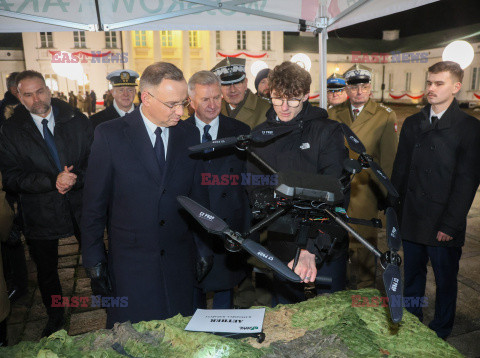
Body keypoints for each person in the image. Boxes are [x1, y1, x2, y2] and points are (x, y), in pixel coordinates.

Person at [81, 62, 209, 328]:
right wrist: (93, 257)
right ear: (147, 98)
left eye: (183, 102)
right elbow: (94, 204)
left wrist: (204, 248)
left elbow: (198, 200)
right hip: (132, 263)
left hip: (180, 260)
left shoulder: (189, 133)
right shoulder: (110, 135)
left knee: (182, 336)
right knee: (136, 338)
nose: (180, 111)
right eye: (172, 104)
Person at [0, 70, 93, 337]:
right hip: (38, 209)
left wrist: (74, 179)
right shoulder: (10, 130)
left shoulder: (76, 119)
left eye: (39, 91)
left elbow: (94, 159)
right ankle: (55, 316)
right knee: (46, 270)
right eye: (27, 94)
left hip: (79, 202)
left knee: (97, 255)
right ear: (19, 96)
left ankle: (109, 299)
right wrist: (52, 180)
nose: (35, 99)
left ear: (48, 90)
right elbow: (11, 176)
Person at [391, 61, 480, 340]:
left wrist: (451, 224)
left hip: (443, 221)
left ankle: (441, 329)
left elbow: (467, 182)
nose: (431, 88)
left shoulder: (469, 128)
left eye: (438, 83)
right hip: (413, 217)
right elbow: (400, 171)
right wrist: (394, 212)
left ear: (456, 87)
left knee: (444, 281)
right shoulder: (413, 122)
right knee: (413, 277)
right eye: (429, 82)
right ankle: (413, 322)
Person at [248, 61, 349, 305]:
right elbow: (257, 192)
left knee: (327, 324)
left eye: (292, 100)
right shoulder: (260, 136)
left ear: (306, 95)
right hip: (281, 246)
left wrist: (309, 249)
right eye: (277, 98)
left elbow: (337, 194)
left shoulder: (328, 132)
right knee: (285, 324)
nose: (284, 107)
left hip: (323, 247)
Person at [328, 64, 398, 289]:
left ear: (371, 88)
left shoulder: (384, 116)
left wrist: (383, 197)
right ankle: (339, 294)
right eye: (354, 86)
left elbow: (387, 161)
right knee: (336, 244)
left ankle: (364, 295)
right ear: (346, 88)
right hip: (338, 192)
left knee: (364, 248)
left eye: (364, 86)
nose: (359, 91)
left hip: (366, 191)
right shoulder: (333, 114)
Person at [186, 70, 251, 309]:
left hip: (228, 225)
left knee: (225, 290)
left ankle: (225, 338)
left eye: (216, 97)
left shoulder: (240, 131)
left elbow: (248, 179)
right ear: (191, 102)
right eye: (205, 99)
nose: (212, 104)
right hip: (192, 227)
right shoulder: (179, 133)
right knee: (193, 290)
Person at [212, 57, 270, 129]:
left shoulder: (266, 109)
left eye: (237, 83)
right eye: (226, 85)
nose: (232, 90)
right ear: (219, 88)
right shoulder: (214, 109)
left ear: (245, 83)